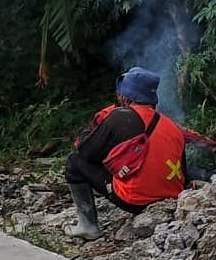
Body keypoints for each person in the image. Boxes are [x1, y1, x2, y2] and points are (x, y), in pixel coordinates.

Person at [64, 66, 186, 240]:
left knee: (75, 162)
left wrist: (89, 132)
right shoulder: (173, 127)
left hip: (136, 201)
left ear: (124, 96)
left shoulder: (119, 117)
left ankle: (88, 226)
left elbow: (86, 152)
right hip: (172, 199)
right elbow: (184, 173)